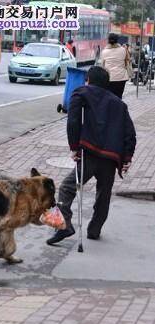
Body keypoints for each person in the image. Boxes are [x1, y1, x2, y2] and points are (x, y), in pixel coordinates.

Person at [47, 66, 136, 245]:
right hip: (111, 158)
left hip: (90, 153)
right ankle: (94, 230)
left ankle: (64, 225)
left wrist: (74, 147)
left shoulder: (81, 92)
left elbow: (73, 121)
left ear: (88, 79)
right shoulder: (119, 103)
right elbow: (130, 134)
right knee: (104, 195)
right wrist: (127, 158)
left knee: (67, 187)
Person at [101, 33, 128, 99]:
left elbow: (103, 66)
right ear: (117, 40)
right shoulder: (123, 50)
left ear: (108, 41)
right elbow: (126, 63)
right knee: (119, 96)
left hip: (110, 78)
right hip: (121, 77)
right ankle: (118, 108)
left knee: (109, 97)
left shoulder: (104, 52)